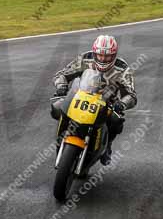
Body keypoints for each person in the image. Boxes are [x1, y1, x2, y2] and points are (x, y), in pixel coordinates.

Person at [51, 35, 137, 165]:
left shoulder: (123, 68)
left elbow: (131, 94)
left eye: (107, 56)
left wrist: (122, 104)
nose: (103, 59)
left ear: (114, 55)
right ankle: (60, 141)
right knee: (57, 107)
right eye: (100, 55)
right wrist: (62, 86)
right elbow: (61, 74)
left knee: (116, 121)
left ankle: (107, 146)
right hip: (80, 97)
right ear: (94, 52)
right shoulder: (86, 58)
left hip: (107, 104)